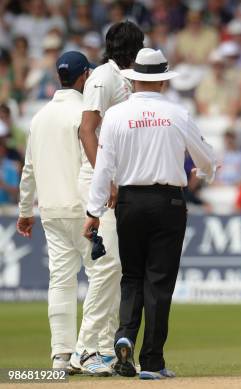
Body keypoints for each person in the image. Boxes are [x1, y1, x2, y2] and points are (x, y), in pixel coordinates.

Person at [83, 48, 216, 380]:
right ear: (162, 80)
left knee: (131, 278)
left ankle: (124, 337)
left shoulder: (115, 115)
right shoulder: (176, 113)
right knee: (158, 282)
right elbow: (206, 157)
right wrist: (205, 173)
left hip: (129, 202)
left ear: (135, 78)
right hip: (167, 201)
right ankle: (152, 362)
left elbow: (103, 170)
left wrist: (93, 211)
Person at [15, 51, 112, 374]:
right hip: (81, 209)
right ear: (85, 76)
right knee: (102, 273)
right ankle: (91, 350)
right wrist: (94, 209)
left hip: (51, 211)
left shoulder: (39, 117)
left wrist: (26, 211)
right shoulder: (84, 115)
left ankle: (60, 354)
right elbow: (91, 164)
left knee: (61, 280)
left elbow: (28, 169)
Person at [74, 21, 144, 372]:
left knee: (117, 268)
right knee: (108, 266)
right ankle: (84, 348)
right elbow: (86, 131)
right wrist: (108, 182)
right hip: (99, 180)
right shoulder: (103, 77)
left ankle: (102, 348)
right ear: (135, 48)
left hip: (118, 181)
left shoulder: (125, 77)